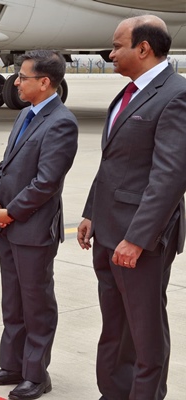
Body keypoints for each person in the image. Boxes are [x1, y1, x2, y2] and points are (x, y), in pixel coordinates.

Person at [77, 15, 186, 400]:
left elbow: (169, 177)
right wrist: (91, 211)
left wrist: (138, 239)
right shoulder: (128, 94)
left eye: (117, 46)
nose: (110, 53)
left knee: (145, 330)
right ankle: (114, 393)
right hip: (108, 232)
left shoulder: (176, 94)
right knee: (115, 326)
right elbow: (114, 162)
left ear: (143, 48)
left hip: (139, 241)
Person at [0, 50, 78, 400]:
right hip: (7, 222)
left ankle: (36, 374)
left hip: (32, 227)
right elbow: (6, 164)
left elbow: (47, 182)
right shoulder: (24, 116)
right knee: (13, 301)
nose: (16, 82)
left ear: (45, 82)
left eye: (23, 77)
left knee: (36, 303)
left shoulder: (61, 122)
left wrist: (11, 212)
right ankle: (13, 365)